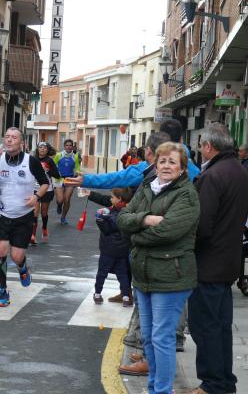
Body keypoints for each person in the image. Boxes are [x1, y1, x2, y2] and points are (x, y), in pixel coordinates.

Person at [117, 142, 200, 394]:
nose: (165, 166)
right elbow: (122, 218)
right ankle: (155, 386)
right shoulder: (146, 186)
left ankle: (162, 391)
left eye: (172, 162)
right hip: (144, 274)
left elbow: (167, 232)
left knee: (162, 338)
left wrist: (136, 235)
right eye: (162, 161)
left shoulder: (186, 194)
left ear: (183, 169)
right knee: (149, 338)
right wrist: (145, 219)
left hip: (171, 275)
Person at [187, 125, 248, 394]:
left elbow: (202, 225)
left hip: (208, 264)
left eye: (201, 146)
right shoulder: (238, 170)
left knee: (205, 327)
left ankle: (212, 384)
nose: (200, 150)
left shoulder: (212, 175)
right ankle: (224, 382)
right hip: (228, 261)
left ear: (209, 147)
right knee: (221, 327)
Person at [0, 127, 49, 307]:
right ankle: (2, 291)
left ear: (21, 143)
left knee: (16, 256)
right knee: (0, 251)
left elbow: (45, 183)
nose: (9, 140)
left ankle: (22, 267)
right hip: (2, 214)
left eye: (13, 137)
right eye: (6, 137)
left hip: (23, 216)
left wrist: (36, 197)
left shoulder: (30, 161)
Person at [66, 120, 200, 189]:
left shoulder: (145, 169)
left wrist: (87, 180)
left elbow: (116, 178)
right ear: (181, 140)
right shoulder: (195, 169)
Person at [78, 187, 133, 307]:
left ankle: (97, 294)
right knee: (123, 273)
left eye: (112, 197)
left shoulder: (112, 213)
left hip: (108, 249)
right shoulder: (130, 211)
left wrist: (100, 219)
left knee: (102, 272)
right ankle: (125, 296)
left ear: (119, 199)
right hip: (123, 249)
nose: (110, 199)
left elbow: (107, 230)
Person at [34, 142, 60, 242]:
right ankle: (33, 235)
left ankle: (44, 228)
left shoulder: (49, 161)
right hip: (35, 188)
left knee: (44, 212)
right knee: (35, 212)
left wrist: (47, 170)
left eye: (44, 148)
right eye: (40, 147)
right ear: (37, 149)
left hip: (47, 189)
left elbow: (57, 175)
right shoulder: (33, 160)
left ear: (47, 150)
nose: (42, 149)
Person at [54, 139, 81, 225]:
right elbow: (53, 166)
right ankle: (59, 205)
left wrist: (78, 174)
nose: (69, 147)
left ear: (72, 146)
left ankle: (63, 217)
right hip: (59, 179)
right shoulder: (58, 155)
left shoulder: (75, 156)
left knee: (67, 199)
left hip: (70, 179)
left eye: (70, 145)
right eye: (67, 145)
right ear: (64, 146)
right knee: (60, 200)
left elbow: (77, 168)